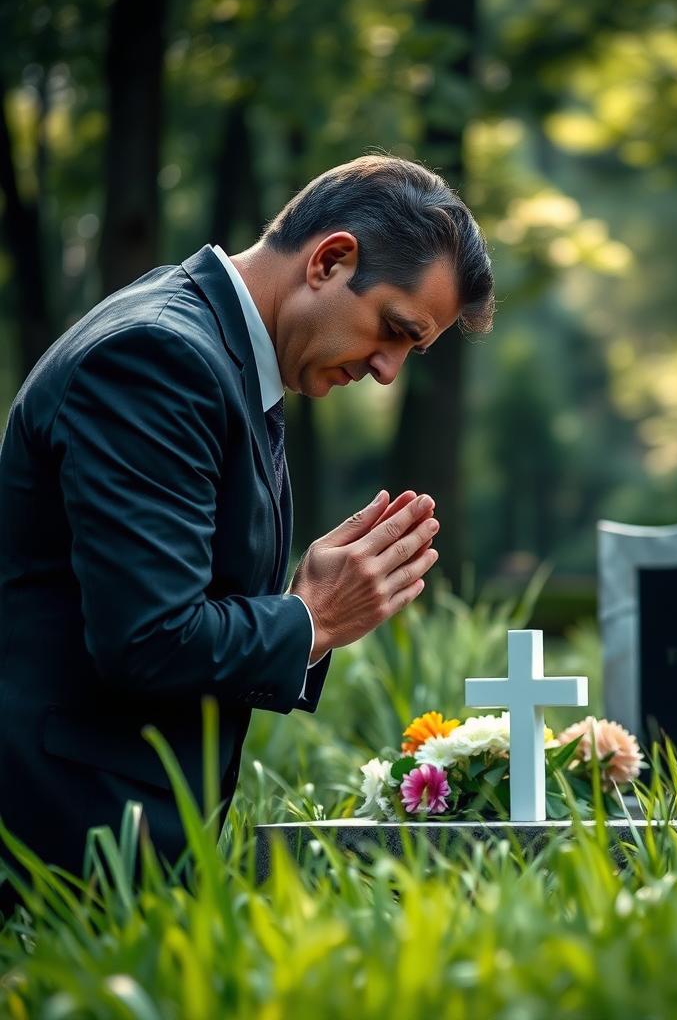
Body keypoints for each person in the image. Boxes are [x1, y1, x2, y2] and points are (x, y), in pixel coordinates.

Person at [0, 154, 494, 910]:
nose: (391, 371)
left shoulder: (226, 357)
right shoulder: (160, 357)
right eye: (392, 331)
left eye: (411, 351)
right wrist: (311, 619)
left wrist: (309, 612)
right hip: (62, 850)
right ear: (330, 260)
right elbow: (149, 637)